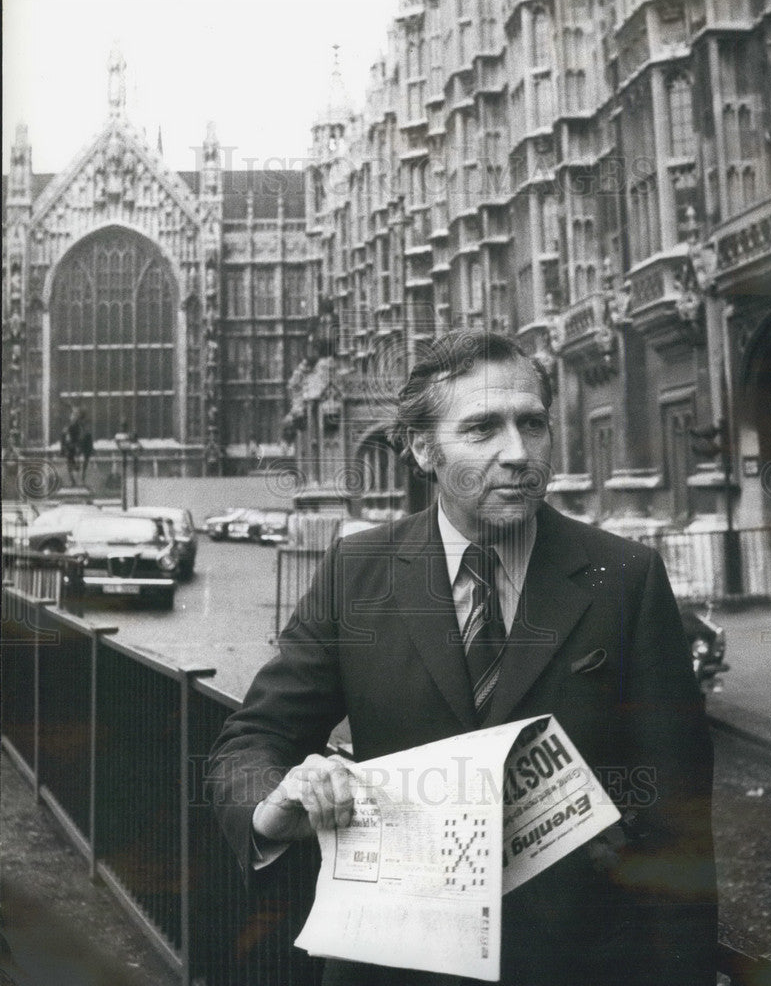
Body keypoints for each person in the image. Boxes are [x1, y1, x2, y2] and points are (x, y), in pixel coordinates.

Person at [207, 330, 717, 986]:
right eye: (482, 429)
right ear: (423, 448)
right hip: (394, 966)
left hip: (578, 963)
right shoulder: (357, 573)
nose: (518, 453)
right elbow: (251, 740)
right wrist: (273, 802)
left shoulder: (624, 576)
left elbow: (679, 817)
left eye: (532, 424)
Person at [60, 407, 94, 485]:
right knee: (71, 464)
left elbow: (87, 441)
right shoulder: (67, 429)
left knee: (80, 465)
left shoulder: (85, 430)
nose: (73, 416)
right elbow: (64, 441)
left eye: (76, 414)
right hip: (72, 453)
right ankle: (73, 481)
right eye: (73, 414)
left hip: (81, 453)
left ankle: (81, 480)